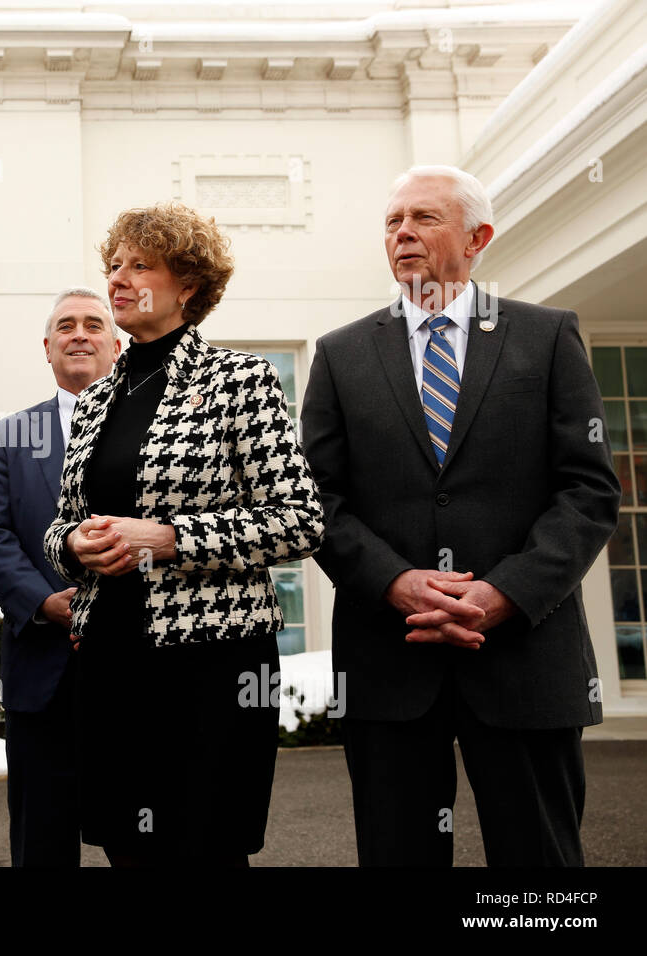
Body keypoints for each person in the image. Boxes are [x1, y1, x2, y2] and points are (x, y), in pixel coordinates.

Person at [299, 165, 620, 866]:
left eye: (424, 219)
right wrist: (394, 583)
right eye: (393, 222)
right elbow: (317, 500)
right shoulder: (340, 355)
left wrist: (503, 593)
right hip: (391, 655)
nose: (404, 234)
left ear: (478, 238)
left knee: (538, 873)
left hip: (525, 655)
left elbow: (588, 491)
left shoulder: (547, 337)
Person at [43, 203, 324, 866]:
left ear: (188, 285)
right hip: (110, 660)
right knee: (126, 849)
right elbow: (61, 522)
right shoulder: (96, 398)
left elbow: (298, 521)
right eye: (114, 264)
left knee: (204, 848)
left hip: (210, 667)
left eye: (141, 265)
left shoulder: (240, 382)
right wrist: (73, 546)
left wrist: (169, 538)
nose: (119, 278)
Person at [0, 287, 120, 867]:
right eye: (65, 326)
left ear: (116, 343)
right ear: (47, 348)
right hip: (42, 666)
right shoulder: (11, 435)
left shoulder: (156, 431)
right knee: (43, 836)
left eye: (92, 324)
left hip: (136, 666)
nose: (78, 333)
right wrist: (43, 602)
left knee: (145, 835)